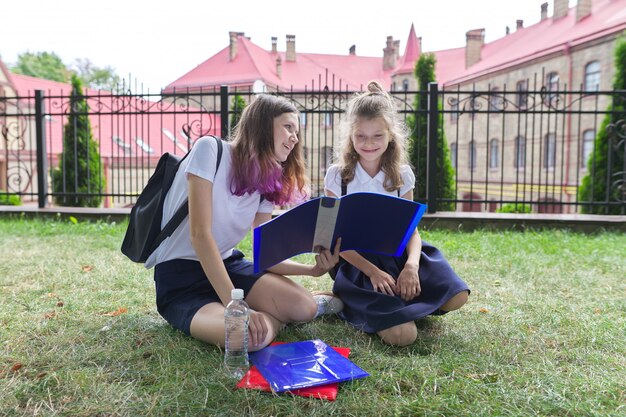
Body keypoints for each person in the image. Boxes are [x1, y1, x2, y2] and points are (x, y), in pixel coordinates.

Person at [145, 94, 341, 351]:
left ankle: (269, 314)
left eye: (297, 131)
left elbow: (265, 256)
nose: (295, 137)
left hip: (230, 266)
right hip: (181, 277)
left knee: (305, 307)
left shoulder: (268, 180)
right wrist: (235, 304)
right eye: (288, 127)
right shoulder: (210, 149)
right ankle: (266, 317)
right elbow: (200, 235)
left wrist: (311, 270)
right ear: (261, 125)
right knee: (242, 337)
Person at [323, 80, 470, 347]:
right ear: (350, 136)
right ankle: (350, 300)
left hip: (399, 253)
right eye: (361, 136)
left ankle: (398, 301)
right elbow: (336, 240)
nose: (369, 143)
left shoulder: (401, 174)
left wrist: (412, 267)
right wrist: (373, 272)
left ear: (391, 135)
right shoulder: (338, 176)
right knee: (403, 336)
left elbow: (410, 230)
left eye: (377, 135)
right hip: (359, 262)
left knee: (457, 296)